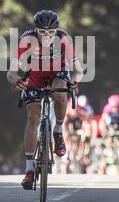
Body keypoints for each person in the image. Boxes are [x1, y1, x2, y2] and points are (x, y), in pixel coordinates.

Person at [6, 10, 83, 190]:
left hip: (58, 72)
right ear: (35, 30)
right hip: (35, 75)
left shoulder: (64, 39)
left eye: (50, 32)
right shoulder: (27, 39)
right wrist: (16, 80)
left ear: (57, 30)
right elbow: (10, 73)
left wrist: (74, 82)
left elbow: (78, 71)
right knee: (33, 118)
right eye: (42, 33)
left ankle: (57, 130)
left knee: (60, 93)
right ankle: (29, 169)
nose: (47, 36)